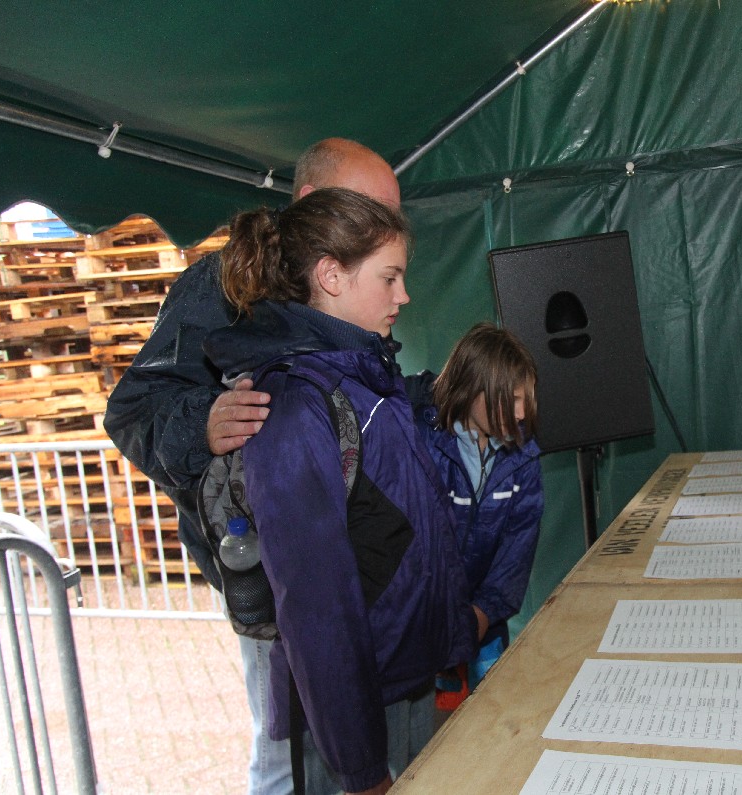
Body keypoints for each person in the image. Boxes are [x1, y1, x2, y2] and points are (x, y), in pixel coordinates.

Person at [103, 138, 401, 794]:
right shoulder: (219, 283)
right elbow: (132, 410)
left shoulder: (353, 285)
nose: (383, 229)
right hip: (271, 573)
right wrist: (203, 422)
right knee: (286, 752)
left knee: (349, 733)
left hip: (349, 564)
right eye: (369, 209)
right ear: (310, 201)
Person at [203, 187, 477, 795]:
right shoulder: (294, 406)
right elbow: (314, 603)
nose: (404, 296)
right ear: (331, 276)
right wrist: (359, 767)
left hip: (401, 671)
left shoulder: (364, 375)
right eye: (390, 278)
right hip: (352, 706)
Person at [407, 323, 544, 701]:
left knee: (492, 713)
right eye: (512, 399)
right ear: (473, 390)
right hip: (424, 626)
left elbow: (518, 547)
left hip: (486, 622)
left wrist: (484, 612)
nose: (522, 413)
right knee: (436, 725)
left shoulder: (523, 457)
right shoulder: (419, 445)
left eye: (527, 399)